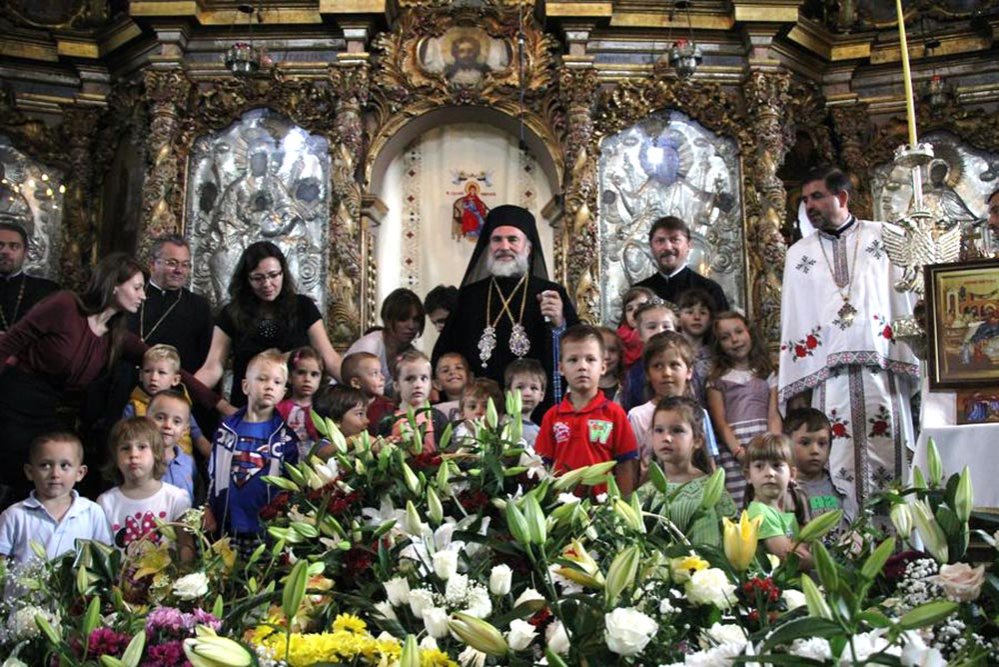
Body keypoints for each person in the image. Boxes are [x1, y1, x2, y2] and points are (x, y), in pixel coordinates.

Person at [0, 253, 222, 508]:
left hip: (55, 417)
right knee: (15, 483)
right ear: (114, 285)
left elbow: (168, 365)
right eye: (137, 288)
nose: (143, 295)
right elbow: (8, 344)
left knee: (48, 487)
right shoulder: (64, 305)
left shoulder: (116, 335)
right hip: (16, 406)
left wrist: (220, 404)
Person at [778, 165, 919, 515]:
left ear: (841, 196)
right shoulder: (799, 254)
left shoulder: (886, 237)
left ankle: (899, 544)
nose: (809, 205)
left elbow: (905, 298)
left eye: (817, 196)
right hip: (830, 380)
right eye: (805, 199)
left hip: (882, 373)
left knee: (894, 462)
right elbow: (796, 317)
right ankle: (842, 542)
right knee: (834, 463)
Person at [433, 205, 579, 414]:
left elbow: (575, 349)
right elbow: (446, 351)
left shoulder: (550, 294)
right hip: (480, 409)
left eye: (512, 239)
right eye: (497, 240)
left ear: (528, 248)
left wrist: (559, 323)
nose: (504, 246)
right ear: (488, 246)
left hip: (534, 408)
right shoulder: (469, 296)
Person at [195, 241, 341, 408]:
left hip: (296, 408)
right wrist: (185, 392)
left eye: (273, 275)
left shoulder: (304, 307)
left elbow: (329, 358)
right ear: (246, 279)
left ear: (283, 273)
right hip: (248, 407)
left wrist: (357, 383)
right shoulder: (231, 313)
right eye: (258, 278)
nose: (267, 284)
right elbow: (213, 367)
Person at [205, 349, 299, 560]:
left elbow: (292, 486)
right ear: (245, 386)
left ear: (283, 392)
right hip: (226, 523)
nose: (269, 386)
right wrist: (208, 507)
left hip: (265, 528)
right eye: (262, 379)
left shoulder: (285, 438)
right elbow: (212, 473)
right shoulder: (226, 429)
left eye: (277, 382)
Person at [534, 325, 638, 497]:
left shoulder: (615, 414)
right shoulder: (552, 416)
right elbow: (542, 465)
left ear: (603, 367)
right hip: (560, 506)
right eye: (573, 360)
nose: (582, 366)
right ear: (561, 368)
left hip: (603, 506)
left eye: (590, 359)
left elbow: (625, 464)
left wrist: (624, 504)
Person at [0, 432, 111, 565]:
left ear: (80, 473)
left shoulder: (92, 512)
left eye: (64, 465)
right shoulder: (14, 515)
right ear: (30, 472)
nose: (55, 474)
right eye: (45, 465)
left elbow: (104, 561)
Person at [706, 311, 780, 508]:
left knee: (767, 495)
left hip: (763, 443)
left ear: (749, 332)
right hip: (734, 450)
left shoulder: (766, 373)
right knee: (740, 501)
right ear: (718, 344)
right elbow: (720, 422)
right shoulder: (716, 379)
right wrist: (738, 452)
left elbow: (773, 414)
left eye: (739, 332)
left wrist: (773, 447)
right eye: (725, 337)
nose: (734, 340)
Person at [640, 396, 736, 547]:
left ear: (697, 440)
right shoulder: (645, 494)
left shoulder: (711, 489)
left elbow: (733, 538)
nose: (666, 438)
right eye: (659, 430)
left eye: (677, 430)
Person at [628, 332, 719, 486]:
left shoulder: (700, 414)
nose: (666, 373)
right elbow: (632, 467)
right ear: (648, 374)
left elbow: (709, 462)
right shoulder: (637, 416)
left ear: (689, 371)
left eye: (674, 365)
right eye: (658, 366)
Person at [97, 417, 192, 555]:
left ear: (156, 453)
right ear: (115, 457)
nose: (133, 455)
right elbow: (102, 554)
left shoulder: (175, 498)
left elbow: (186, 546)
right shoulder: (106, 502)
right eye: (125, 448)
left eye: (142, 447)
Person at [122, 344, 210, 458]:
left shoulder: (182, 406)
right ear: (141, 375)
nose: (153, 377)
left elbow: (198, 438)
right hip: (150, 463)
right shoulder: (133, 406)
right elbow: (126, 440)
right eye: (148, 371)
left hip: (183, 464)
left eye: (161, 372)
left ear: (175, 379)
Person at [744, 433, 813, 571]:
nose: (769, 473)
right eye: (759, 466)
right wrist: (829, 561)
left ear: (792, 474)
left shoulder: (782, 512)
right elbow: (793, 560)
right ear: (748, 475)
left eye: (776, 465)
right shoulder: (760, 513)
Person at [633, 216, 729, 312]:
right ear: (651, 247)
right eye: (660, 241)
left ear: (688, 245)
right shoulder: (638, 292)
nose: (667, 247)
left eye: (675, 240)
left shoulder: (710, 290)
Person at [345, 288, 425, 399]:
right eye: (403, 319)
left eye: (416, 320)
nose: (411, 326)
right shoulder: (369, 346)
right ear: (387, 320)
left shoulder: (412, 353)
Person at [784, 407, 848, 525]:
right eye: (805, 443)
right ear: (786, 446)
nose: (815, 450)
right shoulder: (783, 489)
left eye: (822, 443)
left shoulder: (840, 486)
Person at [381, 349, 448, 453]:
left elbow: (449, 451)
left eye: (423, 378)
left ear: (431, 383)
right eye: (409, 379)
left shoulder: (438, 418)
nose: (418, 385)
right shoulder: (387, 421)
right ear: (396, 385)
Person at [0, 222, 58, 334]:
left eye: (14, 246)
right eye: (0, 245)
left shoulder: (47, 290)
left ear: (25, 252)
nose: (5, 251)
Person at [622, 299, 679, 410]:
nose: (660, 331)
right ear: (639, 334)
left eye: (666, 326)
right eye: (652, 327)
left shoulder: (685, 365)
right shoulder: (634, 373)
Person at [147, 389, 197, 504]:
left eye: (176, 421)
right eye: (160, 418)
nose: (168, 425)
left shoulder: (189, 463)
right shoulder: (141, 462)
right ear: (146, 419)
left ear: (185, 429)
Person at [276, 345, 324, 457]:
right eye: (301, 372)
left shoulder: (323, 408)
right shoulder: (279, 408)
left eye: (314, 374)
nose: (307, 379)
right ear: (289, 376)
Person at [677, 289, 717, 406]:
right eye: (689, 312)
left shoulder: (715, 357)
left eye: (703, 313)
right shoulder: (672, 351)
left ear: (710, 320)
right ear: (678, 318)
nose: (697, 317)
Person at [340, 351, 393, 436]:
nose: (382, 378)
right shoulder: (343, 406)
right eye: (374, 373)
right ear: (356, 383)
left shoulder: (388, 406)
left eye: (380, 372)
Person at [504, 358, 546, 446]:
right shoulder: (501, 424)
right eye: (520, 388)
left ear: (541, 395)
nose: (527, 393)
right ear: (508, 393)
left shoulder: (540, 433)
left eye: (533, 388)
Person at [451, 378, 504, 447]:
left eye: (486, 407)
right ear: (462, 414)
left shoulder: (506, 446)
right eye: (472, 407)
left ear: (498, 415)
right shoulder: (455, 449)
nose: (478, 412)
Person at [617, 286, 656, 372]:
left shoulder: (659, 333)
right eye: (629, 309)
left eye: (641, 306)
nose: (635, 311)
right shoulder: (617, 339)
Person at [433, 352, 470, 422]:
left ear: (470, 377)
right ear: (437, 384)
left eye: (458, 368)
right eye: (445, 370)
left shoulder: (479, 406)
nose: (452, 372)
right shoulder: (434, 411)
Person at [598, 326, 625, 404]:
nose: (607, 356)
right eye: (601, 350)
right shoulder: (577, 387)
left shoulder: (628, 388)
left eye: (612, 350)